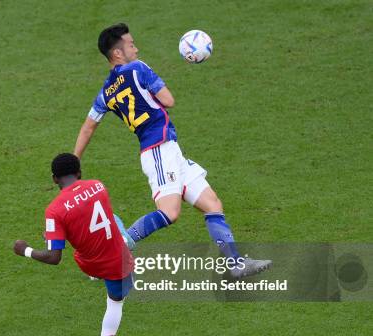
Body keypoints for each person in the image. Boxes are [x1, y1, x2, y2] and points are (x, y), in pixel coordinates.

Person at [74, 23, 271, 277]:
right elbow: (168, 100)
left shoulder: (104, 93)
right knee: (169, 212)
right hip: (158, 150)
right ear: (117, 54)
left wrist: (75, 159)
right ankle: (113, 252)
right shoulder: (138, 68)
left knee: (212, 203)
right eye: (131, 44)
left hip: (169, 151)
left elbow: (88, 127)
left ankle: (235, 265)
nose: (136, 47)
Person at [14, 153, 134, 336]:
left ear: (54, 179)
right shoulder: (98, 185)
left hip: (88, 263)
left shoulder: (54, 210)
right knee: (115, 302)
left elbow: (54, 257)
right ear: (79, 172)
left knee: (69, 231)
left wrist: (25, 250)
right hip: (117, 260)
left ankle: (107, 240)